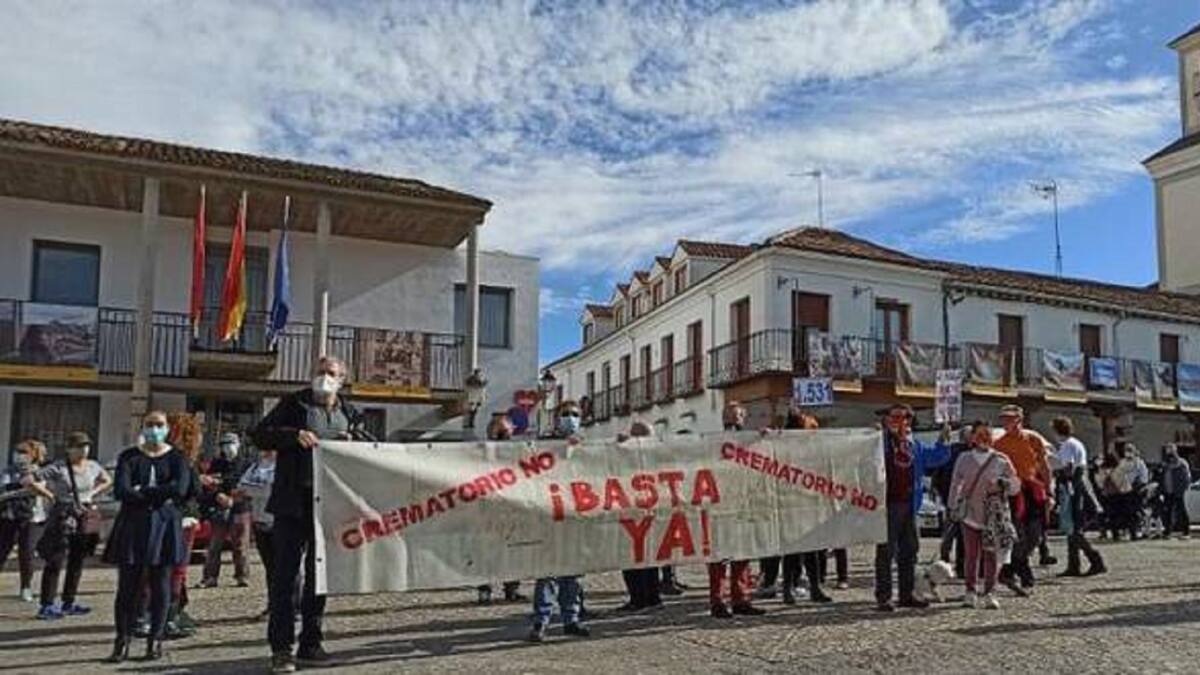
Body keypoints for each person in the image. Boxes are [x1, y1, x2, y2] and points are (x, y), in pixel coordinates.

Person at [252, 356, 371, 673]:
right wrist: (292, 436)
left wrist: (354, 442)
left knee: (319, 578)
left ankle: (311, 643)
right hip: (293, 504)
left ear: (342, 379)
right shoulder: (293, 404)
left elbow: (368, 449)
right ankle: (281, 650)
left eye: (331, 373)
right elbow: (260, 434)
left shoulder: (349, 412)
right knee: (286, 579)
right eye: (319, 372)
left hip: (330, 506)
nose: (324, 377)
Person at [104, 411, 191, 662]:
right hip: (132, 525)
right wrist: (157, 494)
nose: (155, 429)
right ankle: (122, 640)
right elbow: (122, 489)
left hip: (164, 526)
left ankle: (155, 641)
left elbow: (180, 488)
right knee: (127, 588)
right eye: (150, 424)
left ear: (167, 428)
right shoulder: (129, 457)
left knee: (161, 585)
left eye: (159, 425)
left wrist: (144, 491)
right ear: (142, 428)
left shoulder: (177, 457)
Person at [875, 403, 951, 612]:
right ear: (888, 420)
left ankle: (907, 594)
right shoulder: (879, 443)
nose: (899, 421)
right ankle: (884, 596)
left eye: (904, 417)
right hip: (887, 505)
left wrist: (944, 440)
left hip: (911, 503)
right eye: (895, 417)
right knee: (886, 552)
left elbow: (936, 459)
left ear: (909, 420)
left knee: (909, 551)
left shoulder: (914, 444)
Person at [528, 403, 591, 643]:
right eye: (566, 414)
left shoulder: (588, 445)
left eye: (575, 415)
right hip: (551, 515)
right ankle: (541, 621)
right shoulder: (543, 444)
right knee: (548, 573)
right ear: (557, 419)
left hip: (575, 515)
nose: (571, 419)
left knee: (573, 574)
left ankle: (571, 619)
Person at [35, 432, 111, 620]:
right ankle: (47, 604)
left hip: (84, 514)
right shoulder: (59, 467)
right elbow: (30, 480)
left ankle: (69, 601)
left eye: (86, 445)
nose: (84, 449)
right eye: (79, 446)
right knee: (55, 559)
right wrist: (49, 495)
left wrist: (94, 493)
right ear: (69, 448)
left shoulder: (93, 466)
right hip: (63, 514)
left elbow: (107, 480)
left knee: (77, 560)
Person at [949, 420, 1019, 610]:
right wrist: (953, 507)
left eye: (987, 435)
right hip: (970, 514)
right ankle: (970, 592)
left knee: (991, 555)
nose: (983, 439)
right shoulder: (964, 458)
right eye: (979, 435)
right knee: (971, 555)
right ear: (972, 438)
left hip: (993, 516)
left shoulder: (1001, 459)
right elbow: (955, 483)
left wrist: (1002, 483)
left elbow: (1015, 486)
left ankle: (990, 592)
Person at [708, 401, 763, 618]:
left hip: (743, 504)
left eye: (739, 414)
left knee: (743, 553)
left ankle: (741, 599)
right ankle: (718, 601)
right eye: (731, 415)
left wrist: (763, 438)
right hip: (720, 506)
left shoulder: (749, 440)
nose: (735, 418)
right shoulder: (713, 441)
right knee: (719, 556)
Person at [992, 405, 1053, 595]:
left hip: (1032, 490)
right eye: (1004, 419)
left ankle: (1009, 570)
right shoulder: (999, 444)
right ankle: (1024, 574)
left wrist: (1050, 490)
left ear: (1020, 419)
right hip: (1011, 493)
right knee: (1017, 535)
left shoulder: (1033, 439)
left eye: (1011, 418)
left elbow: (1044, 466)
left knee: (1035, 535)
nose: (1007, 422)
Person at [476, 413, 525, 605]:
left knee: (512, 550)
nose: (503, 435)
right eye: (499, 431)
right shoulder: (481, 452)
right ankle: (485, 590)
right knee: (487, 551)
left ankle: (511, 588)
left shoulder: (516, 452)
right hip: (488, 509)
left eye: (505, 431)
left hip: (511, 508)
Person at [1051, 417, 1105, 577]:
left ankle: (1096, 560)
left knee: (1074, 528)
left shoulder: (1067, 445)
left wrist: (1058, 475)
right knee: (1072, 529)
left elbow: (1068, 467)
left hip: (1074, 487)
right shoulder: (1076, 443)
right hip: (1079, 483)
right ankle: (1073, 564)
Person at [199, 432, 252, 588]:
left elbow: (248, 485)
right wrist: (218, 495)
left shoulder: (246, 464)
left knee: (241, 544)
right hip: (219, 509)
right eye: (224, 444)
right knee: (215, 545)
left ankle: (242, 576)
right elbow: (207, 485)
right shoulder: (216, 464)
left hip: (240, 508)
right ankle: (210, 577)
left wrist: (233, 497)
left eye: (231, 443)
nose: (228, 447)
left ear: (238, 444)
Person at [0, 439, 49, 603]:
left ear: (33, 456)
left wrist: (21, 489)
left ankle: (25, 587)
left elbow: (39, 490)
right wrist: (24, 489)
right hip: (10, 516)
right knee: (2, 550)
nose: (19, 456)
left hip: (34, 518)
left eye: (23, 453)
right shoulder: (9, 471)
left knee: (26, 552)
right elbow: (3, 490)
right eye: (17, 452)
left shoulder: (41, 471)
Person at [1160, 443, 1192, 540]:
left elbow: (1187, 479)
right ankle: (1167, 532)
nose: (1168, 452)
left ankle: (1186, 532)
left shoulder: (1181, 463)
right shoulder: (1165, 464)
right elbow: (1162, 477)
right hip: (1167, 491)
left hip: (1178, 491)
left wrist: (1182, 489)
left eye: (1170, 449)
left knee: (1181, 511)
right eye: (1167, 449)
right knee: (1167, 512)